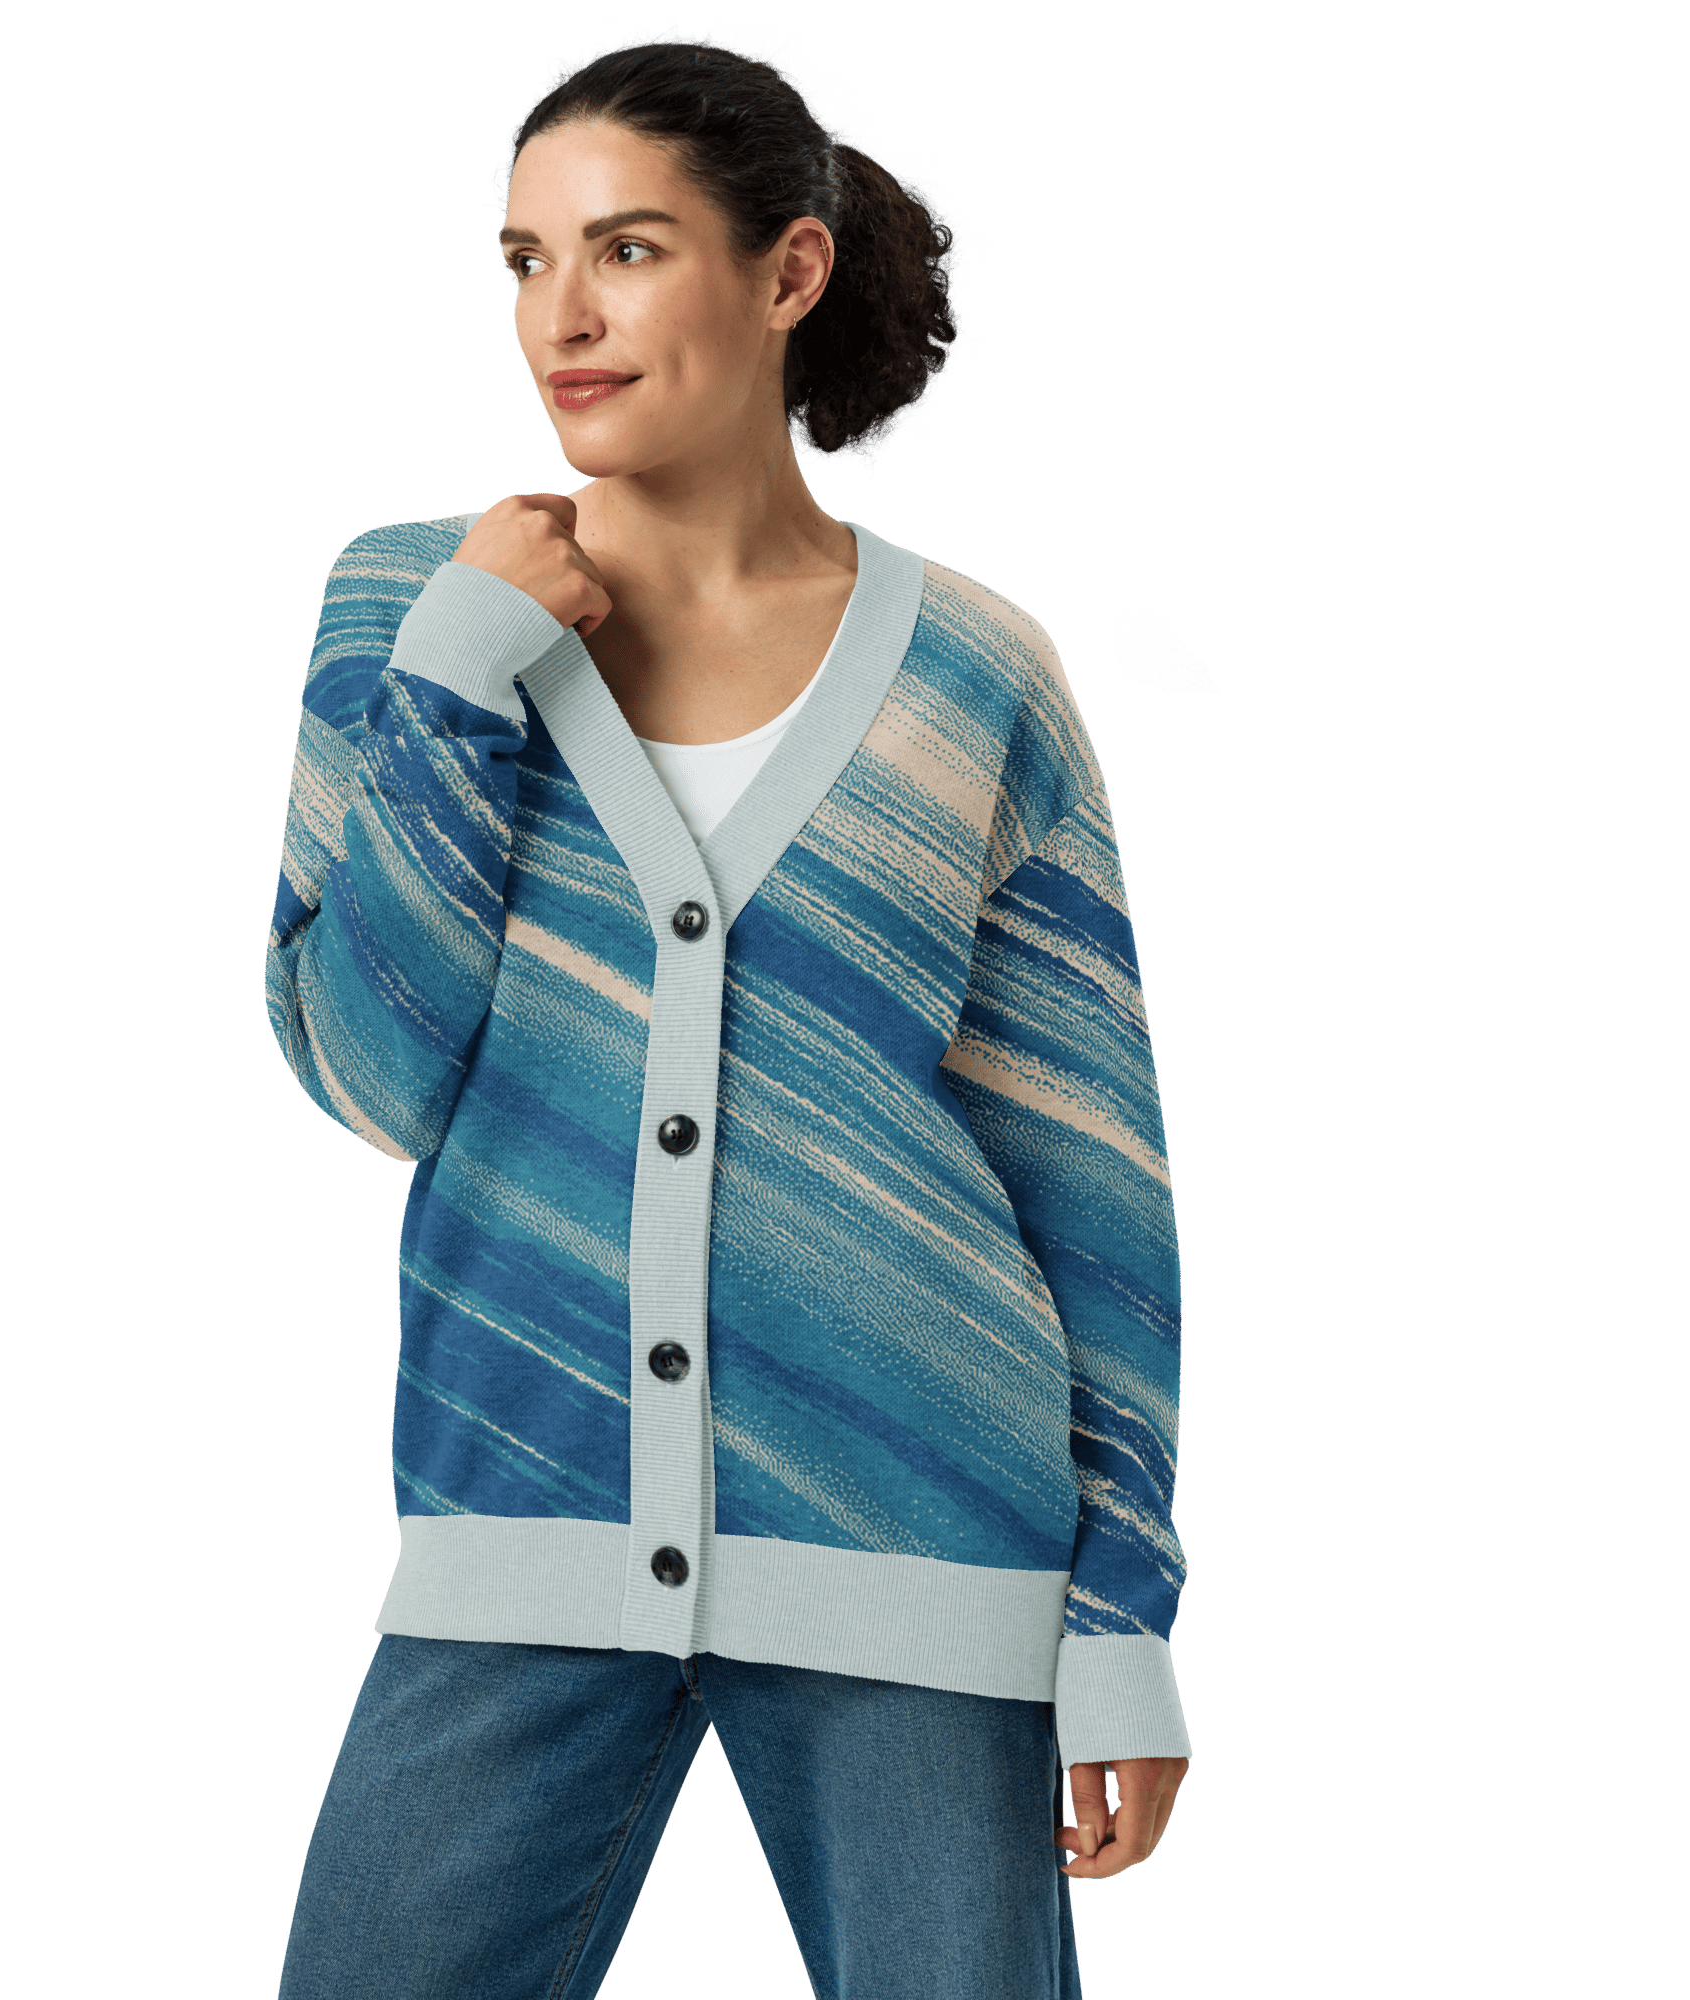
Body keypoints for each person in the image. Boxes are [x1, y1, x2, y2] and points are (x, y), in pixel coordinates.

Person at [263, 20, 1191, 1999]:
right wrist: (458, 678)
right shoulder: (410, 611)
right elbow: (365, 1075)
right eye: (528, 259)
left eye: (628, 248)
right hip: (518, 1516)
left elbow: (1089, 1179)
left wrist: (1122, 1613)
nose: (561, 315)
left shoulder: (981, 672)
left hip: (923, 1535)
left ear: (789, 271)